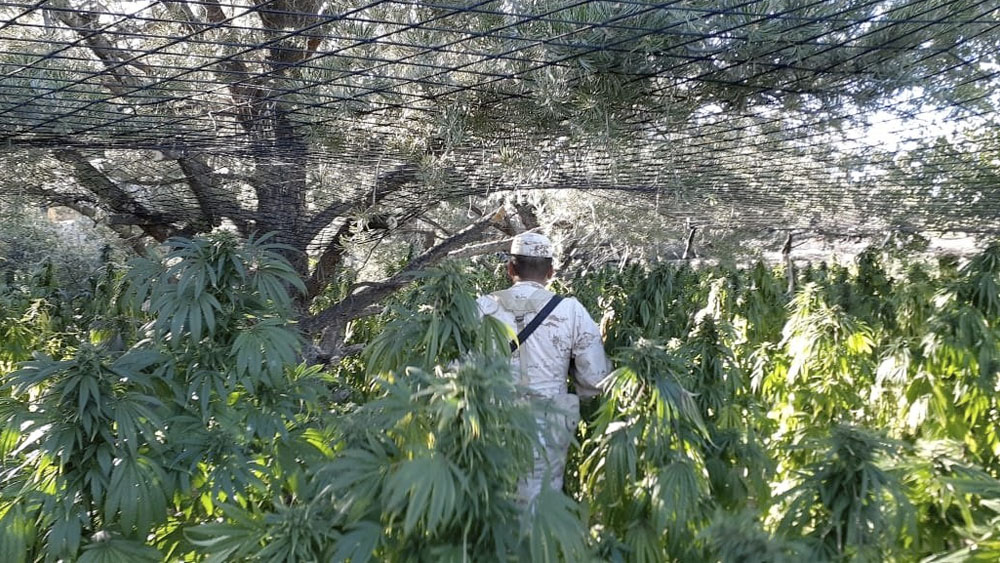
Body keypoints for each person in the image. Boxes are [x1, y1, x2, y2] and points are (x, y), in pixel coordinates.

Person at [477, 232, 610, 504]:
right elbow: (596, 379)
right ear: (550, 271)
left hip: (490, 422)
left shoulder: (481, 307)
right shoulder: (571, 311)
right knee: (539, 503)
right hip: (547, 425)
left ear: (510, 269)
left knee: (492, 502)